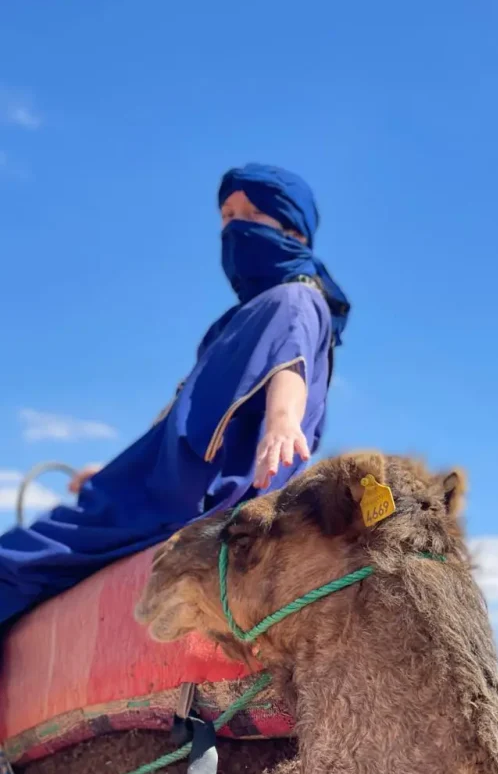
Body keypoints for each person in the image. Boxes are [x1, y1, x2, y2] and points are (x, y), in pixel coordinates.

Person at [0, 163, 350, 628]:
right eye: (226, 215)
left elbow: (291, 363)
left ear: (294, 234)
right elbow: (179, 418)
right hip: (157, 487)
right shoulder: (237, 320)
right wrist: (109, 471)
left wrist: (283, 422)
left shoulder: (295, 298)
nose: (234, 226)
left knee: (15, 563)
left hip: (186, 500)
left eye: (251, 214)